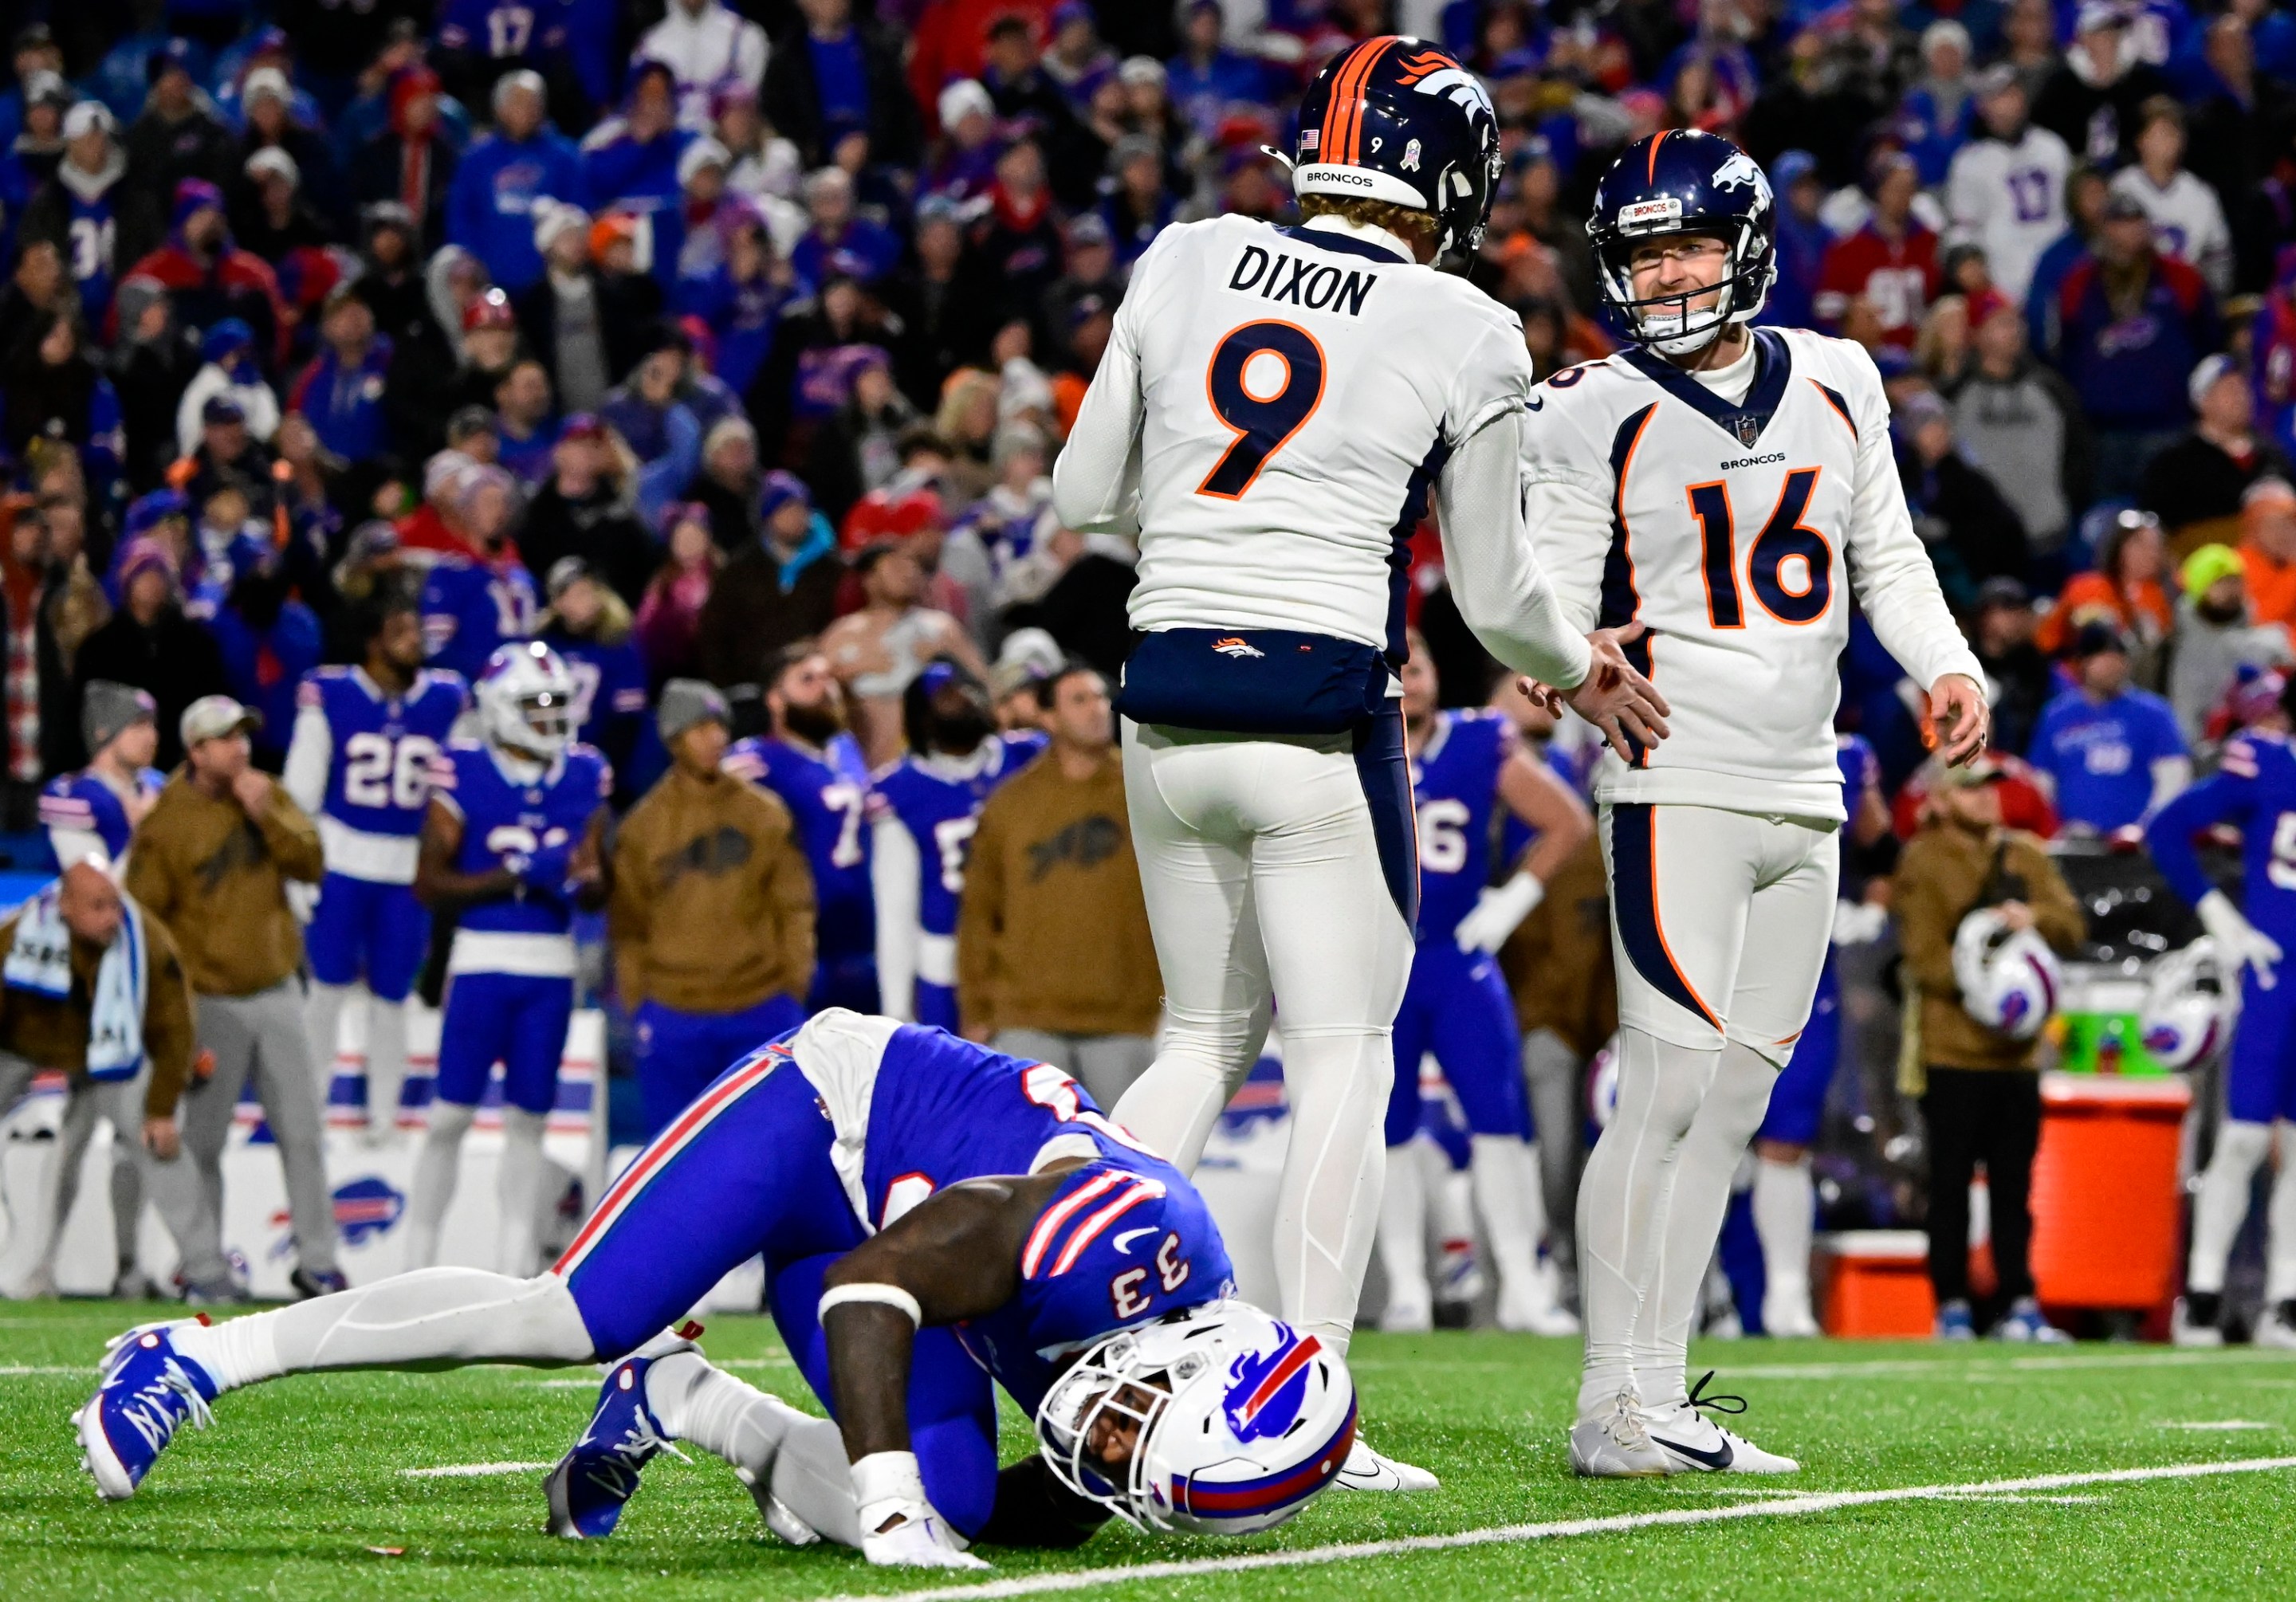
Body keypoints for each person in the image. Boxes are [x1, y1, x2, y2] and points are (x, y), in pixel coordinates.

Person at [1052, 38, 1659, 1491]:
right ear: (1445, 177)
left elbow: (1082, 497)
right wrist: (1583, 669)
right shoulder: (1460, 321)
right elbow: (1499, 600)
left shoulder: (1189, 254)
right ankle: (1305, 1407)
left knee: (1197, 1043)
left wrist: (1210, 525)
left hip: (1164, 691)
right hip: (1320, 706)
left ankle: (1040, 1321)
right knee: (1343, 1055)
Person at [76, 1011, 1358, 1575]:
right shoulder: (1097, 1238)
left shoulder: (1167, 1338)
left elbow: (1062, 1497)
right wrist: (889, 1505)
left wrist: (937, 1507)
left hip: (902, 1243)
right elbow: (870, 1287)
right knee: (571, 1315)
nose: (1106, 1445)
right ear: (1183, 1367)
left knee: (969, 1496)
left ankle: (685, 1400)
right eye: (1136, 1437)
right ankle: (196, 1353)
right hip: (819, 1123)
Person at [1520, 129, 1985, 1478]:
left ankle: (1657, 1392)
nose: (1665, 276)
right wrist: (1570, 667)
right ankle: (1613, 1403)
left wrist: (1947, 665)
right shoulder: (1592, 404)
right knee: (1660, 1087)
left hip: (1806, 779)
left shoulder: (1838, 375)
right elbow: (1546, 583)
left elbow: (1885, 554)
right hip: (1677, 774)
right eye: (1643, 251)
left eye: (1688, 246)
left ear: (1749, 245)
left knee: (1730, 1104)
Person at [1374, 633, 1588, 1337]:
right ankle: (1408, 1288)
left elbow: (1567, 822)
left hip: (1459, 961)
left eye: (1421, 664)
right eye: (1398, 667)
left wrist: (1510, 901)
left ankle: (1523, 1287)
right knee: (1391, 1127)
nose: (1411, 679)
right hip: (1384, 961)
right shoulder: (1350, 747)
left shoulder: (1480, 741)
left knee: (1501, 1125)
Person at [124, 694, 339, 1302]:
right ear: (196, 750)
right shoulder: (166, 820)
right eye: (225, 739)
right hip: (208, 1003)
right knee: (204, 1143)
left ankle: (318, 1262)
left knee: (302, 1131)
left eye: (244, 735)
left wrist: (267, 815)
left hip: (276, 990)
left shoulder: (266, 793)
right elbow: (145, 923)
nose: (240, 748)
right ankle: (205, 1267)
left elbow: (314, 862)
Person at [409, 642, 610, 1277]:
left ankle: (514, 1267)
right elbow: (429, 883)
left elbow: (599, 882)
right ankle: (416, 1265)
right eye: (536, 703)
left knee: (530, 1121)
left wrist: (585, 879)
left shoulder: (584, 772)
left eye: (557, 702)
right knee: (450, 1117)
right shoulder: (462, 770)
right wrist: (519, 874)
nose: (551, 716)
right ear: (499, 710)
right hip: (480, 960)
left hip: (551, 966)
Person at [1893, 756, 2084, 1341]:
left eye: (1992, 789)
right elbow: (1924, 959)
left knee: (2014, 1188)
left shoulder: (2026, 853)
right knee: (1949, 1185)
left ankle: (2018, 1300)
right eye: (1972, 791)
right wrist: (1988, 973)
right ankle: (1950, 1303)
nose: (1987, 799)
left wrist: (2035, 917)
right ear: (1944, 799)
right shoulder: (1924, 858)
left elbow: (2072, 927)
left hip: (2018, 1058)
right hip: (1953, 1052)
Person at [283, 596, 467, 1145]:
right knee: (326, 989)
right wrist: (298, 869)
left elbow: (459, 788)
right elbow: (300, 790)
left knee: (393, 997)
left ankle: (383, 1118)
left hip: (407, 867)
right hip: (340, 860)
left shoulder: (446, 698)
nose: (416, 640)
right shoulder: (332, 693)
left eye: (416, 629)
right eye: (401, 629)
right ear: (373, 641)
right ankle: (307, 1111)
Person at [2146, 681, 2296, 1349]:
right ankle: (2202, 1292)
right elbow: (2169, 828)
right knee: (2241, 1138)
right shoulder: (2265, 761)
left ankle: (2285, 1298)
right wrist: (2220, 916)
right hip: (2272, 970)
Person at [611, 680, 814, 1135]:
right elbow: (628, 926)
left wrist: (791, 988)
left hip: (761, 1005)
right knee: (672, 1154)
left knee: (775, 1145)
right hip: (673, 1012)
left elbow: (794, 907)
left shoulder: (765, 813)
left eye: (719, 726)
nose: (715, 739)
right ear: (672, 738)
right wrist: (640, 1006)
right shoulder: (643, 827)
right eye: (699, 728)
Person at [954, 662, 1158, 1110]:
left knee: (1135, 1159)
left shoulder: (1149, 790)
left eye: (1102, 698)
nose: (1097, 709)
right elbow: (980, 914)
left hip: (1125, 1016)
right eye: (1079, 700)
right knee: (1034, 1166)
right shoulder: (1009, 806)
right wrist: (975, 1011)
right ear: (1048, 717)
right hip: (1026, 1016)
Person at [0, 858, 201, 1302]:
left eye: (115, 904)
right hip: (26, 1048)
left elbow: (176, 1031)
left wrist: (162, 1109)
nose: (113, 916)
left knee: (152, 1144)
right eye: (98, 907)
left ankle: (205, 1272)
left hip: (114, 1058)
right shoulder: (18, 938)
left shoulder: (146, 940)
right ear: (66, 908)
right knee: (66, 1159)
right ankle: (36, 1270)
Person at [1747, 734, 1889, 1338]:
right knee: (1697, 1132)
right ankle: (1701, 1295)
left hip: (1804, 969)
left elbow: (1883, 849)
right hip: (1714, 955)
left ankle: (1785, 1295)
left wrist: (1873, 906)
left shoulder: (1850, 753)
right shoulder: (1716, 723)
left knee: (1787, 1138)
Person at [871, 658, 1044, 1031]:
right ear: (922, 717)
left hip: (1039, 951)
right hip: (947, 966)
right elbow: (895, 912)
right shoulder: (899, 791)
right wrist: (896, 1013)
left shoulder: (1031, 756)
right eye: (949, 695)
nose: (967, 698)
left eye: (970, 689)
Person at [725, 644, 878, 1014]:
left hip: (861, 939)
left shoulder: (845, 750)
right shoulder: (757, 761)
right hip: (802, 944)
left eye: (828, 679)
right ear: (775, 701)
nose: (824, 689)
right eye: (807, 680)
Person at [820, 540, 984, 769]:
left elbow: (983, 689)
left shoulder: (942, 629)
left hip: (941, 767)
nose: (908, 573)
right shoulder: (840, 637)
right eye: (896, 567)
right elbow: (813, 699)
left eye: (913, 567)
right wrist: (848, 674)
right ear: (870, 579)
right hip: (870, 767)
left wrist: (946, 665)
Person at [2030, 620, 2189, 834]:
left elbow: (2174, 778)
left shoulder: (2153, 713)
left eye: (2119, 656)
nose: (2113, 664)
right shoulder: (2057, 715)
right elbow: (2041, 782)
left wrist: (2145, 828)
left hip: (2135, 843)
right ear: (2083, 662)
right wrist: (2055, 831)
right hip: (2073, 840)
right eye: (2103, 657)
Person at [1944, 65, 2070, 306]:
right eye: (1994, 98)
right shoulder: (1969, 162)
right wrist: (1965, 259)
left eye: (2010, 95)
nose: (2005, 106)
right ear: (1982, 107)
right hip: (2002, 284)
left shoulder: (2053, 148)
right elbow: (1962, 227)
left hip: (2059, 279)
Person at [2168, 544, 2294, 746]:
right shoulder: (2173, 648)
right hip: (2203, 756)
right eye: (2219, 582)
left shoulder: (2270, 642)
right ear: (2199, 588)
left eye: (2235, 581)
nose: (2230, 590)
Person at [40, 682, 163, 871]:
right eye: (139, 725)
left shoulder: (161, 786)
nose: (152, 737)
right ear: (103, 732)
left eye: (152, 725)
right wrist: (144, 831)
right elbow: (91, 889)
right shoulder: (71, 794)